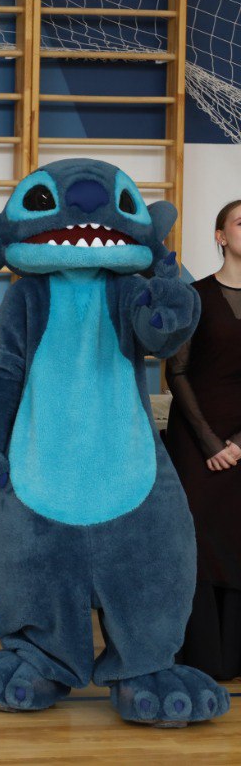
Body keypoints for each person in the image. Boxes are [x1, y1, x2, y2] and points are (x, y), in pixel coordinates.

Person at [165, 199, 241, 680]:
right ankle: (203, 655)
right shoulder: (192, 296)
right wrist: (213, 443)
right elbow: (176, 371)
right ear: (220, 236)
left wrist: (239, 442)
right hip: (196, 439)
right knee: (196, 540)